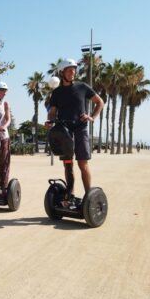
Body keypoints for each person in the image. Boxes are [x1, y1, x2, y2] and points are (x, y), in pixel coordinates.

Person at [45, 58, 104, 208]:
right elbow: (52, 112)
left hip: (81, 129)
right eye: (69, 70)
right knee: (68, 164)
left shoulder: (82, 87)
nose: (73, 72)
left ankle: (88, 197)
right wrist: (50, 121)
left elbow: (100, 102)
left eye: (74, 70)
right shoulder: (57, 93)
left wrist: (92, 116)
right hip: (65, 130)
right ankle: (69, 195)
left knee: (82, 164)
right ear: (62, 72)